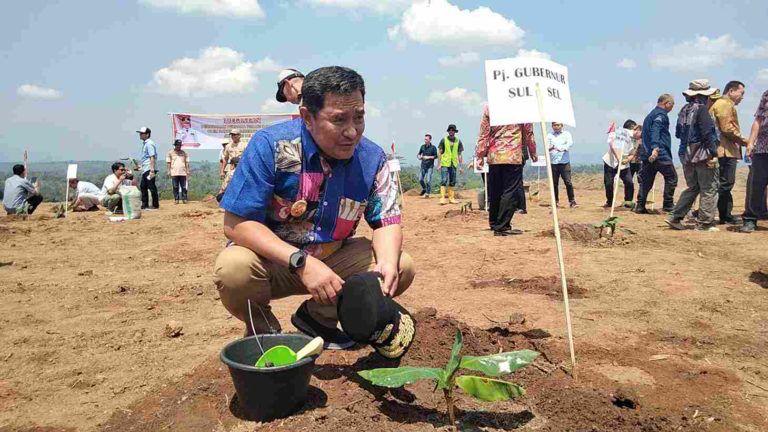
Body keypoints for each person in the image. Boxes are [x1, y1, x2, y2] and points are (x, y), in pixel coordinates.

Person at [213, 66, 415, 350]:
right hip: (273, 262)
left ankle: (318, 319)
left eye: (359, 117)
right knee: (233, 269)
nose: (352, 131)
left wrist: (387, 261)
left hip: (334, 258)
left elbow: (387, 221)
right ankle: (265, 333)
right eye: (338, 120)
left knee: (399, 265)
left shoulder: (372, 159)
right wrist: (301, 262)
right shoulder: (271, 146)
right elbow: (236, 223)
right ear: (307, 117)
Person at [666, 80, 720, 232]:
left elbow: (677, 133)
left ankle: (675, 217)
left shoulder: (684, 109)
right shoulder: (702, 110)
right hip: (702, 154)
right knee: (709, 187)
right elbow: (707, 133)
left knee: (693, 187)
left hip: (685, 154)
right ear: (703, 95)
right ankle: (704, 223)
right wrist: (713, 153)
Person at [476, 104, 538, 236]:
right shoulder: (522, 105)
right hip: (512, 155)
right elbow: (528, 132)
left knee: (495, 190)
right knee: (510, 190)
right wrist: (533, 151)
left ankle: (494, 223)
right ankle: (502, 226)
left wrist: (480, 155)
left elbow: (483, 133)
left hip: (494, 155)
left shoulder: (490, 106)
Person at [711, 80, 749, 225]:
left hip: (724, 149)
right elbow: (727, 128)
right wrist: (745, 141)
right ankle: (723, 215)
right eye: (741, 93)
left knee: (723, 183)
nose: (742, 97)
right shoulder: (724, 104)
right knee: (726, 183)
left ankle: (725, 213)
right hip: (725, 150)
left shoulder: (722, 104)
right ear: (731, 91)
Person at [634, 94, 677, 213]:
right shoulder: (660, 115)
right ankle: (668, 205)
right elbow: (655, 131)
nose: (672, 108)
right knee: (672, 177)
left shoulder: (650, 115)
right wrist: (655, 148)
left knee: (646, 180)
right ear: (667, 103)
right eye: (672, 105)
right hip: (659, 153)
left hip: (647, 154)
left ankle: (640, 205)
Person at [740, 89, 768, 233]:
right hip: (763, 148)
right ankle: (750, 219)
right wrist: (751, 142)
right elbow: (758, 119)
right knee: (756, 186)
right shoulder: (766, 94)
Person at [603, 120, 642, 208]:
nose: (641, 138)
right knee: (609, 183)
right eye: (641, 135)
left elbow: (632, 153)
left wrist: (627, 160)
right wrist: (618, 157)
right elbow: (612, 144)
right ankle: (609, 202)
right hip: (611, 161)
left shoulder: (636, 140)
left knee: (629, 182)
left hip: (624, 164)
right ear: (637, 130)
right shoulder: (622, 133)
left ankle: (628, 202)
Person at [547, 122, 577, 208]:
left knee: (568, 182)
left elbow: (570, 143)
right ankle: (555, 201)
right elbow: (547, 146)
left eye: (558, 125)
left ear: (561, 126)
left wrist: (562, 148)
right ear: (552, 126)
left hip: (564, 162)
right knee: (554, 183)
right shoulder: (549, 135)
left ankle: (572, 201)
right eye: (554, 125)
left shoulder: (566, 134)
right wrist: (552, 147)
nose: (556, 127)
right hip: (553, 162)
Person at [437, 124, 464, 205]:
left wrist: (461, 166)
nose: (451, 131)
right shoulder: (443, 140)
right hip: (445, 163)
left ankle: (451, 198)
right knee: (444, 180)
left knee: (452, 181)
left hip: (454, 163)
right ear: (448, 131)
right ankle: (442, 198)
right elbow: (440, 152)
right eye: (450, 130)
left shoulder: (458, 141)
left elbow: (459, 154)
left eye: (453, 130)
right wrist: (439, 164)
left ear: (455, 132)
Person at [217, 129, 247, 202]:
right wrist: (222, 171)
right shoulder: (228, 146)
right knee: (226, 186)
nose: (233, 136)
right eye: (231, 135)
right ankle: (223, 201)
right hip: (231, 168)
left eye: (234, 135)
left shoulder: (245, 145)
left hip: (242, 169)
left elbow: (248, 158)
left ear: (239, 135)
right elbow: (225, 159)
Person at [136, 126, 159, 210]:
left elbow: (152, 157)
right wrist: (141, 167)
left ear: (147, 134)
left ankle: (155, 205)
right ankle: (144, 204)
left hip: (149, 169)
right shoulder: (146, 143)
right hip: (146, 168)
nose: (140, 135)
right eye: (140, 133)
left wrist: (152, 170)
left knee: (151, 187)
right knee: (143, 186)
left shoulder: (149, 144)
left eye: (142, 133)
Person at [166, 139, 190, 204]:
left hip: (183, 172)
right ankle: (176, 199)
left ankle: (184, 199)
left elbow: (187, 162)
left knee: (184, 187)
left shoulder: (184, 153)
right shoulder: (170, 153)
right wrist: (168, 171)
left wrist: (188, 171)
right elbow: (168, 162)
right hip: (174, 172)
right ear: (175, 145)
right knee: (175, 186)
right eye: (177, 145)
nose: (178, 146)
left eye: (179, 145)